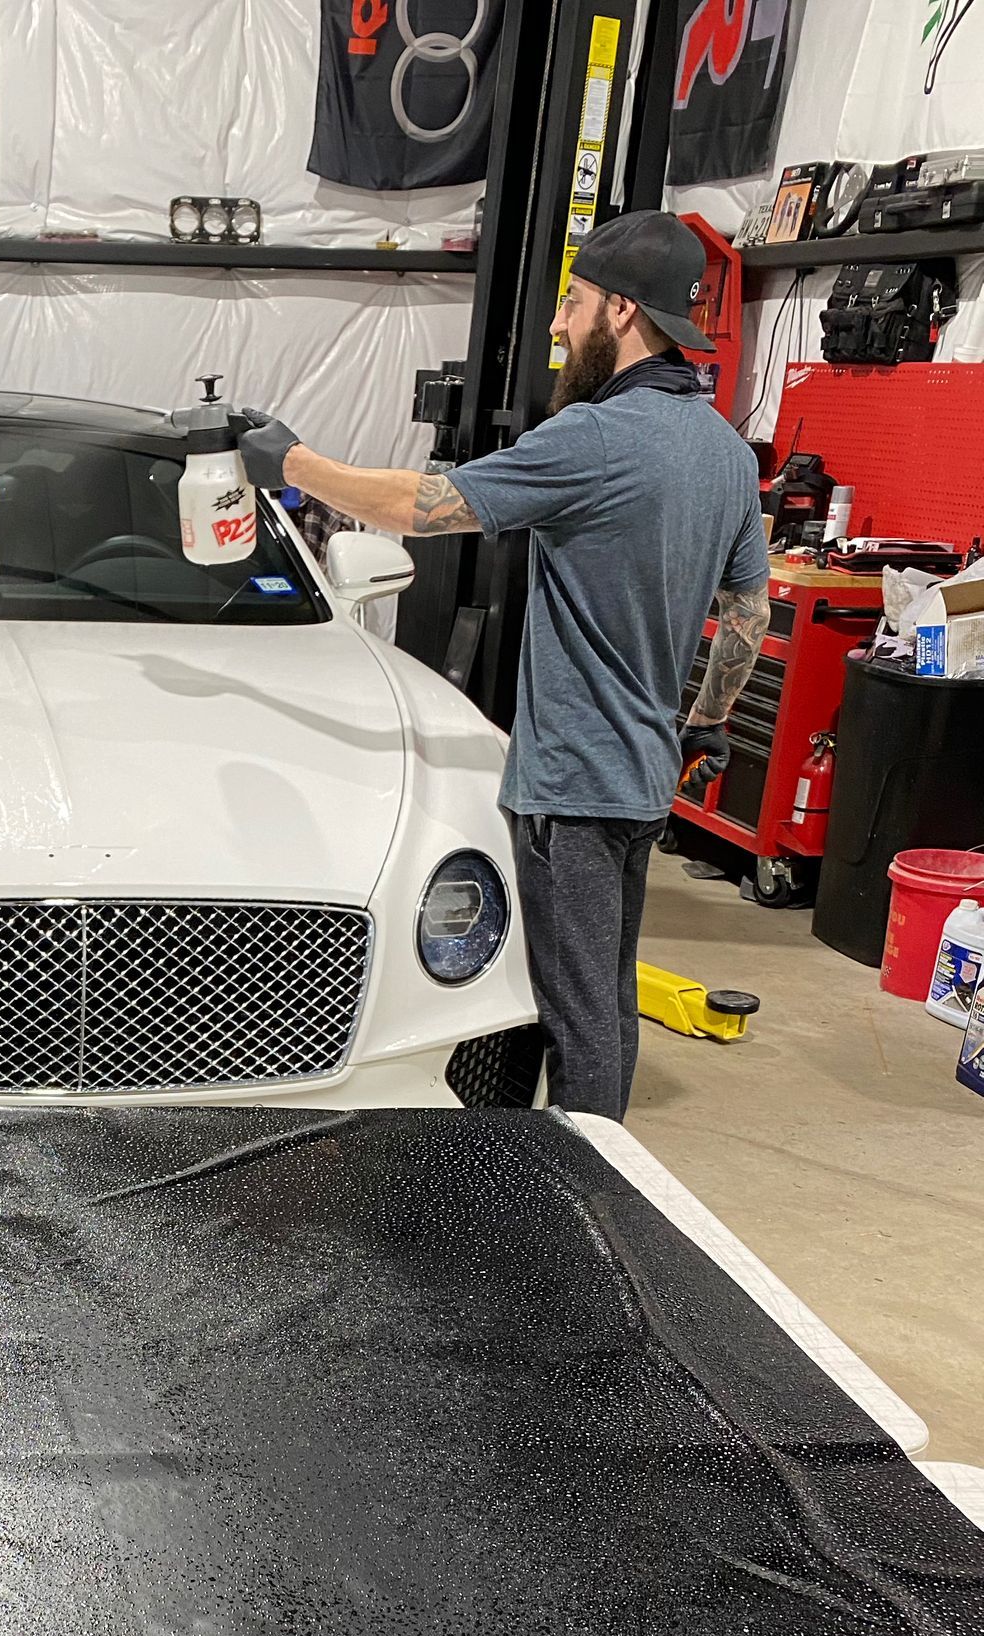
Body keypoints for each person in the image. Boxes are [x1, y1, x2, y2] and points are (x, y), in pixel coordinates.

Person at [235, 210, 772, 1121]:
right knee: (604, 990)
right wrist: (709, 722)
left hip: (573, 786)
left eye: (574, 301)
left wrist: (292, 462)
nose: (560, 324)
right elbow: (747, 616)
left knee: (577, 1016)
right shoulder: (724, 452)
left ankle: (589, 1191)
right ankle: (600, 1163)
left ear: (622, 312)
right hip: (643, 780)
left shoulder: (594, 440)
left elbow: (424, 506)